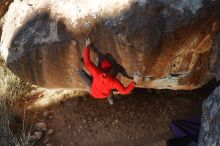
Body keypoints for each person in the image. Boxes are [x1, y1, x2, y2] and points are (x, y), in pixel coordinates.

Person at [79, 38, 140, 105]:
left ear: (101, 67)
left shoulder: (96, 73)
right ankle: (110, 99)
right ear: (110, 69)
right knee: (109, 91)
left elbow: (87, 62)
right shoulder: (113, 81)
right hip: (104, 93)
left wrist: (87, 46)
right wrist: (134, 81)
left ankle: (110, 99)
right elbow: (124, 91)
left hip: (94, 93)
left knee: (83, 74)